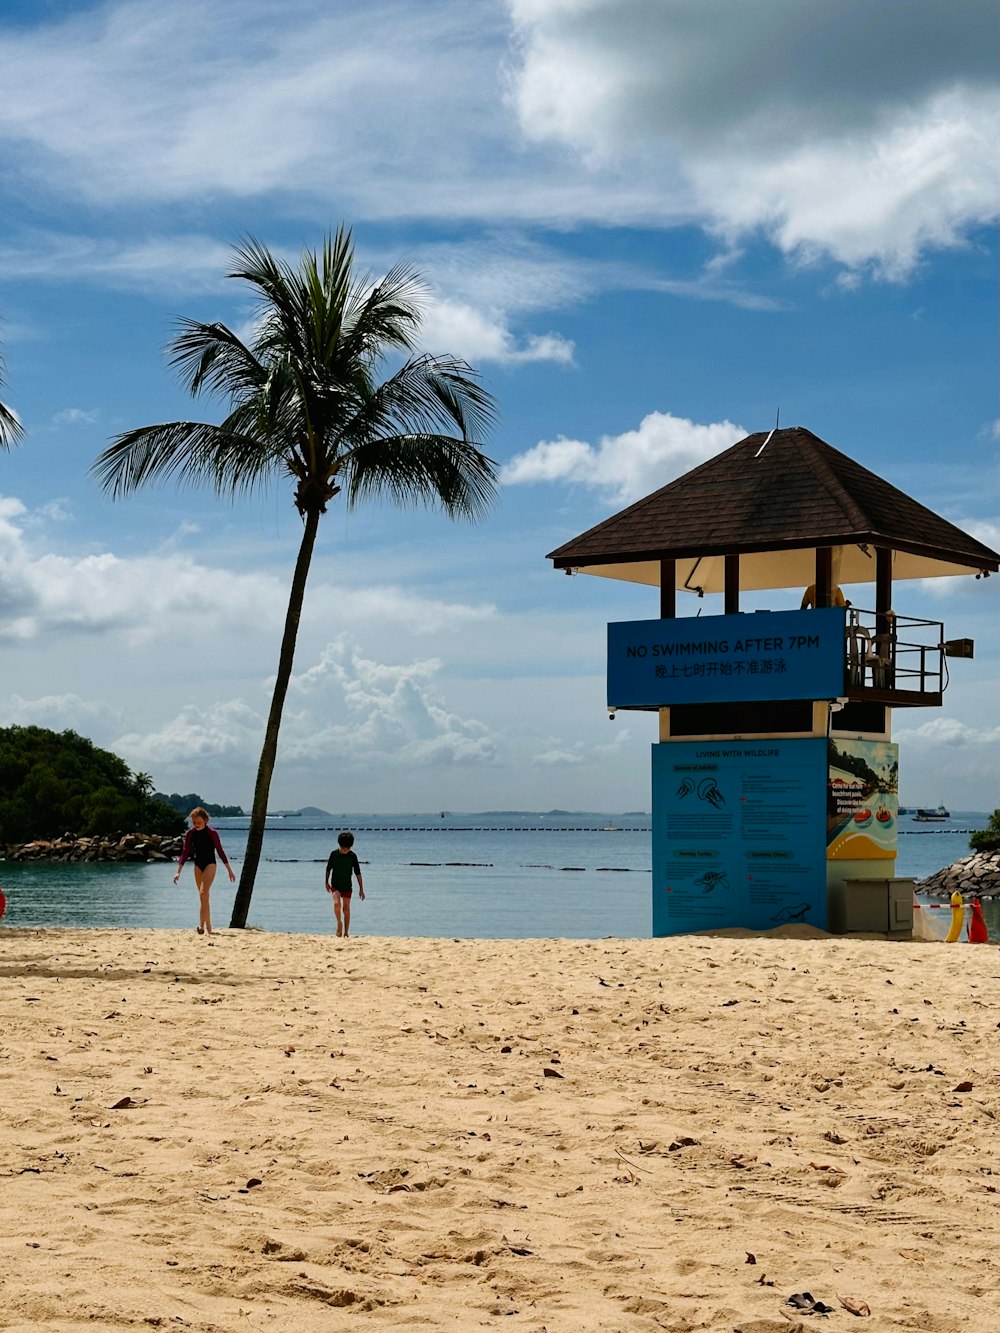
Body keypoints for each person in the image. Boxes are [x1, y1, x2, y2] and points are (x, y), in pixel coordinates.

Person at [173, 807, 235, 935]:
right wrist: (178, 872)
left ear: (205, 820)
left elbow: (220, 851)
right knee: (203, 897)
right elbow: (185, 852)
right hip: (198, 865)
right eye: (194, 822)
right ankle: (210, 928)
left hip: (210, 864)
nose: (196, 825)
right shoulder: (190, 834)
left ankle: (201, 926)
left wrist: (229, 870)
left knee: (203, 892)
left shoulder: (212, 833)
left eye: (199, 822)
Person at [325, 830, 365, 938]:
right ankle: (339, 923)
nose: (345, 850)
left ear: (351, 846)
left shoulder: (353, 856)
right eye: (343, 847)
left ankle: (346, 932)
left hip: (347, 886)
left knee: (346, 909)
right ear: (340, 845)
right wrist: (326, 882)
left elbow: (358, 873)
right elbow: (328, 869)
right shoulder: (334, 854)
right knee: (337, 904)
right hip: (335, 885)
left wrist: (361, 889)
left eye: (348, 848)